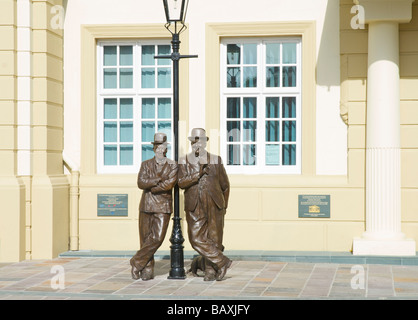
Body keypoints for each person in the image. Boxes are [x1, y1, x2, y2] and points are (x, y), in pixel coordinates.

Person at [178, 128, 232, 281]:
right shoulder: (184, 160)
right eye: (194, 141)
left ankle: (210, 270)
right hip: (194, 204)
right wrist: (198, 174)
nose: (197, 144)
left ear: (205, 142)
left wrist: (224, 206)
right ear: (191, 143)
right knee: (196, 238)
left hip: (215, 203)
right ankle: (222, 262)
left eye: (200, 141)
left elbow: (225, 185)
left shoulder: (216, 159)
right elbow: (181, 183)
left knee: (214, 239)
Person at [130, 132, 178, 280]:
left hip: (163, 206)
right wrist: (157, 180)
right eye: (157, 146)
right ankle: (147, 269)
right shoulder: (145, 164)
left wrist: (152, 186)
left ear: (166, 149)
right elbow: (140, 183)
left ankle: (136, 261)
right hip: (146, 205)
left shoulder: (173, 165)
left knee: (157, 238)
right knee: (145, 239)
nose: (159, 149)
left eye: (162, 146)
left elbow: (169, 184)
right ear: (154, 148)